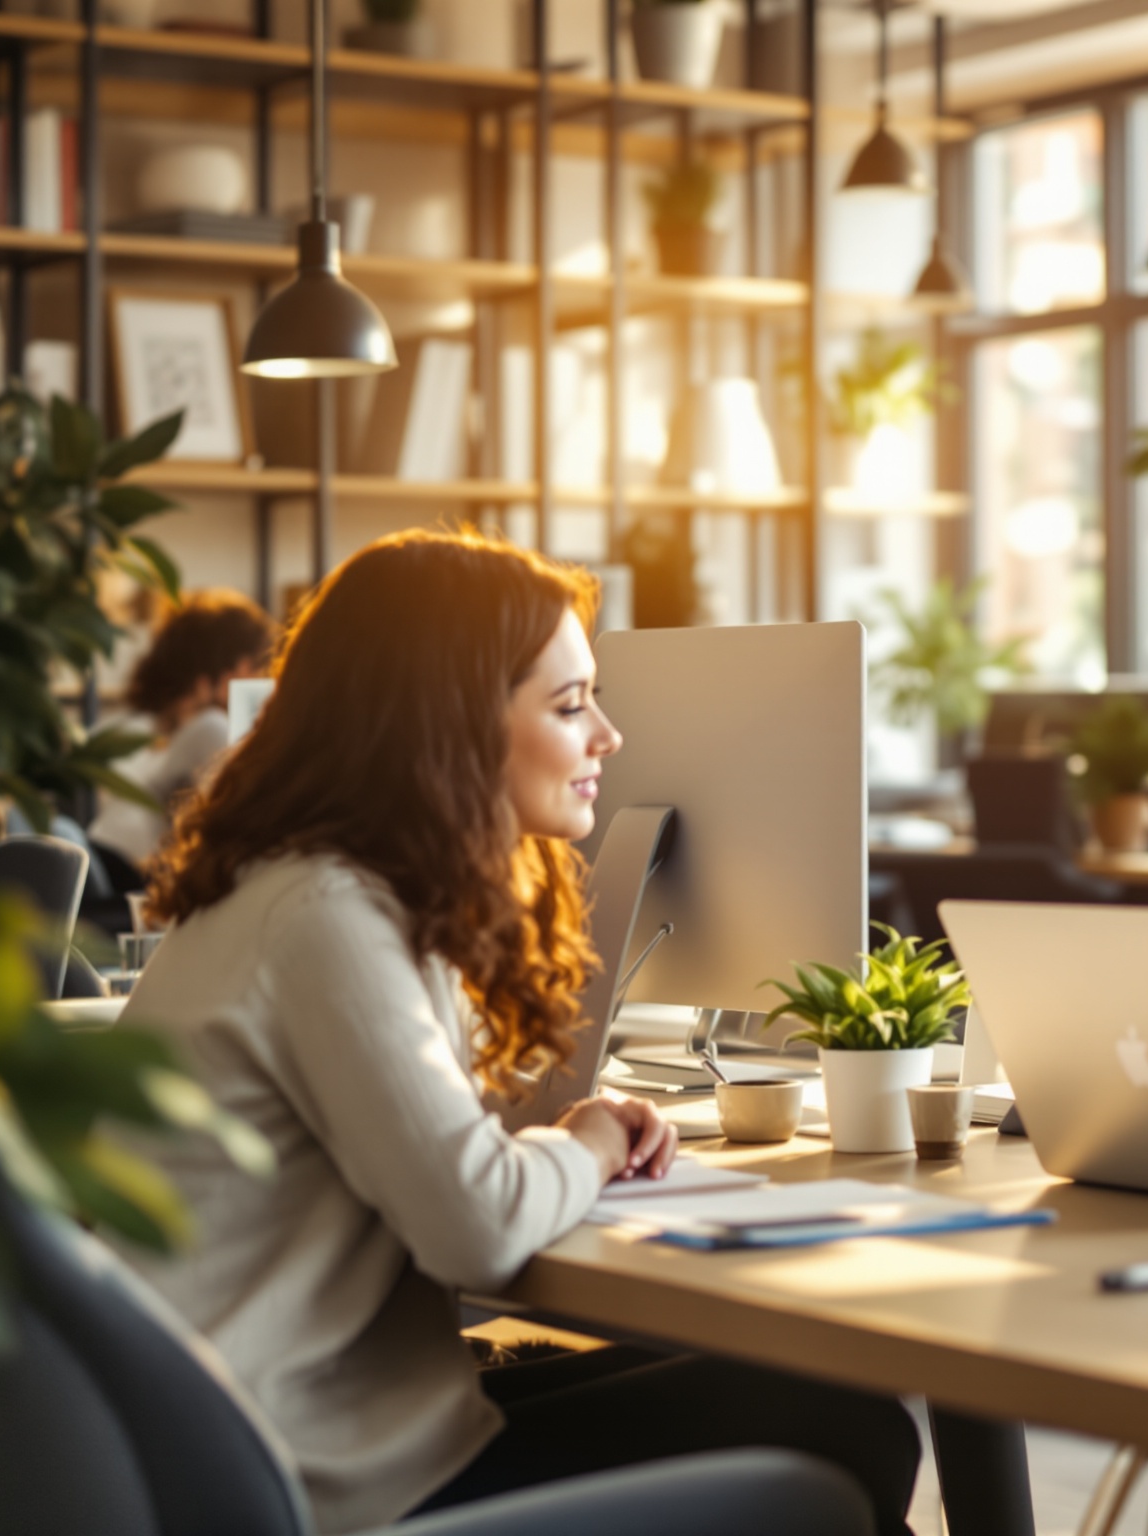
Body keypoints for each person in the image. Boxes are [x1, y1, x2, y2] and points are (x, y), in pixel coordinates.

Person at [116, 531, 921, 1535]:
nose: (610, 737)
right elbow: (478, 1225)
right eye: (571, 703)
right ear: (447, 725)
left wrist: (559, 1113)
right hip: (309, 1478)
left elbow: (410, 1135)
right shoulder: (328, 913)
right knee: (843, 1427)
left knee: (789, 1392)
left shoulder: (301, 888)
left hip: (277, 1435)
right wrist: (584, 1141)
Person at [89, 589, 277, 866]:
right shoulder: (211, 729)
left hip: (105, 871)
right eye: (260, 669)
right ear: (237, 669)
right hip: (134, 882)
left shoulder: (124, 730)